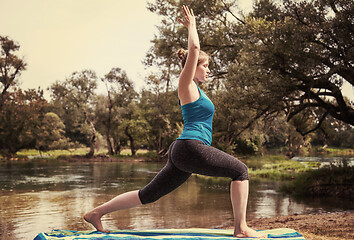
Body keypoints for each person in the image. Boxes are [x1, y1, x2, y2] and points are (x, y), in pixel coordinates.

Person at [84, 5, 265, 238]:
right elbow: (195, 47)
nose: (209, 70)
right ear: (192, 66)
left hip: (184, 150)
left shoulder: (199, 91)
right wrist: (192, 27)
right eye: (205, 65)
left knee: (149, 194)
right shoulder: (186, 84)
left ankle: (96, 213)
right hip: (191, 146)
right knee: (240, 171)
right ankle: (241, 228)